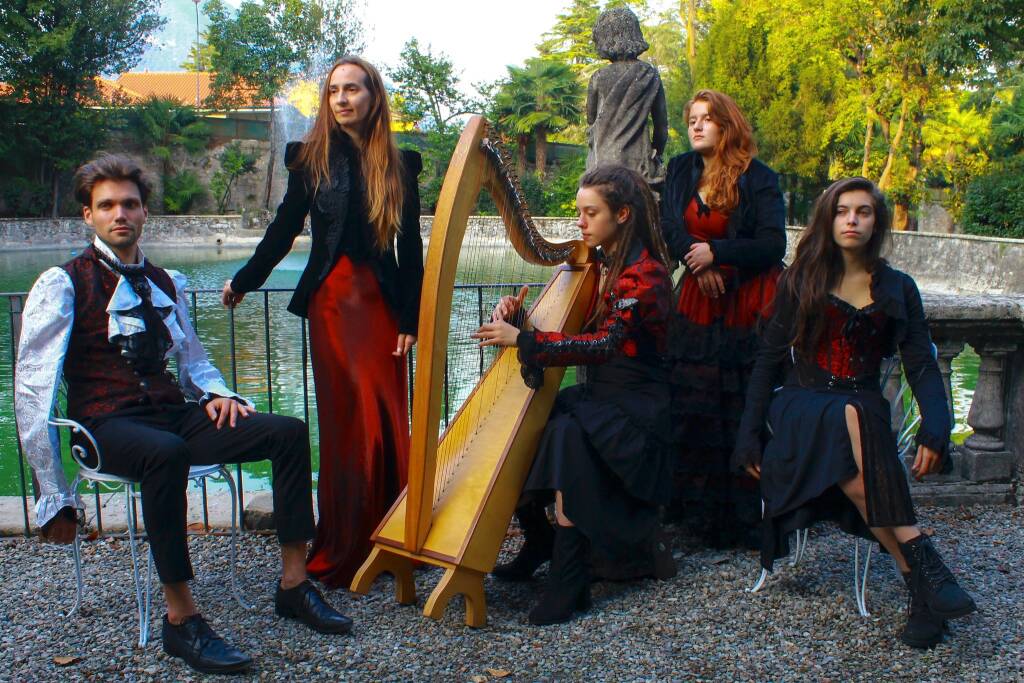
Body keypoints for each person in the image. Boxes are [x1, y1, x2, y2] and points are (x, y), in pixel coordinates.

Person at [14, 154, 351, 676]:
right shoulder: (62, 283)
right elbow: (33, 393)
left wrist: (218, 394)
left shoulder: (167, 281)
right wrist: (53, 495)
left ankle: (293, 585)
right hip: (103, 427)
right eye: (107, 205)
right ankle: (181, 617)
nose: (119, 213)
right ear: (89, 215)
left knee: (287, 432)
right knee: (166, 454)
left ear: (145, 212)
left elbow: (193, 359)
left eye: (130, 203)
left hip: (172, 417)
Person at [733, 177, 977, 649]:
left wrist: (937, 427)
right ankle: (928, 575)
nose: (852, 219)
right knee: (846, 413)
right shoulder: (801, 278)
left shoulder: (899, 288)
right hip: (800, 405)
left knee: (854, 418)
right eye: (843, 210)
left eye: (863, 211)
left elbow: (922, 365)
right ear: (829, 218)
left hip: (860, 408)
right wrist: (748, 435)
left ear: (876, 221)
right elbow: (767, 362)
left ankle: (920, 588)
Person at [222, 56, 424, 588]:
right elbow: (284, 228)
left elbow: (411, 250)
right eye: (333, 90)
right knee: (346, 425)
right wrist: (246, 279)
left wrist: (412, 317)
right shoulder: (308, 158)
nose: (341, 99)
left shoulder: (401, 164)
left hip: (381, 306)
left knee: (386, 417)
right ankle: (347, 543)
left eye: (352, 89)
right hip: (332, 305)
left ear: (373, 97)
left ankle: (395, 538)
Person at [473, 165, 674, 625]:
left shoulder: (647, 276)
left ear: (622, 214)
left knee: (564, 431)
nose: (579, 223)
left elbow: (603, 346)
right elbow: (570, 330)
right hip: (601, 401)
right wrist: (520, 318)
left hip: (637, 410)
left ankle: (569, 577)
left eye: (590, 212)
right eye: (579, 212)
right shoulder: (597, 264)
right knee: (531, 427)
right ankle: (542, 542)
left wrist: (522, 341)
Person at [660, 89, 786, 547]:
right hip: (697, 297)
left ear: (726, 126)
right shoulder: (679, 169)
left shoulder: (760, 178)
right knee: (692, 402)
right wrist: (698, 261)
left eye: (706, 119)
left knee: (739, 403)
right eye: (692, 118)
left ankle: (746, 520)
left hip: (746, 300)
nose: (695, 126)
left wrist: (719, 254)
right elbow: (669, 226)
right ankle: (697, 517)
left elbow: (774, 245)